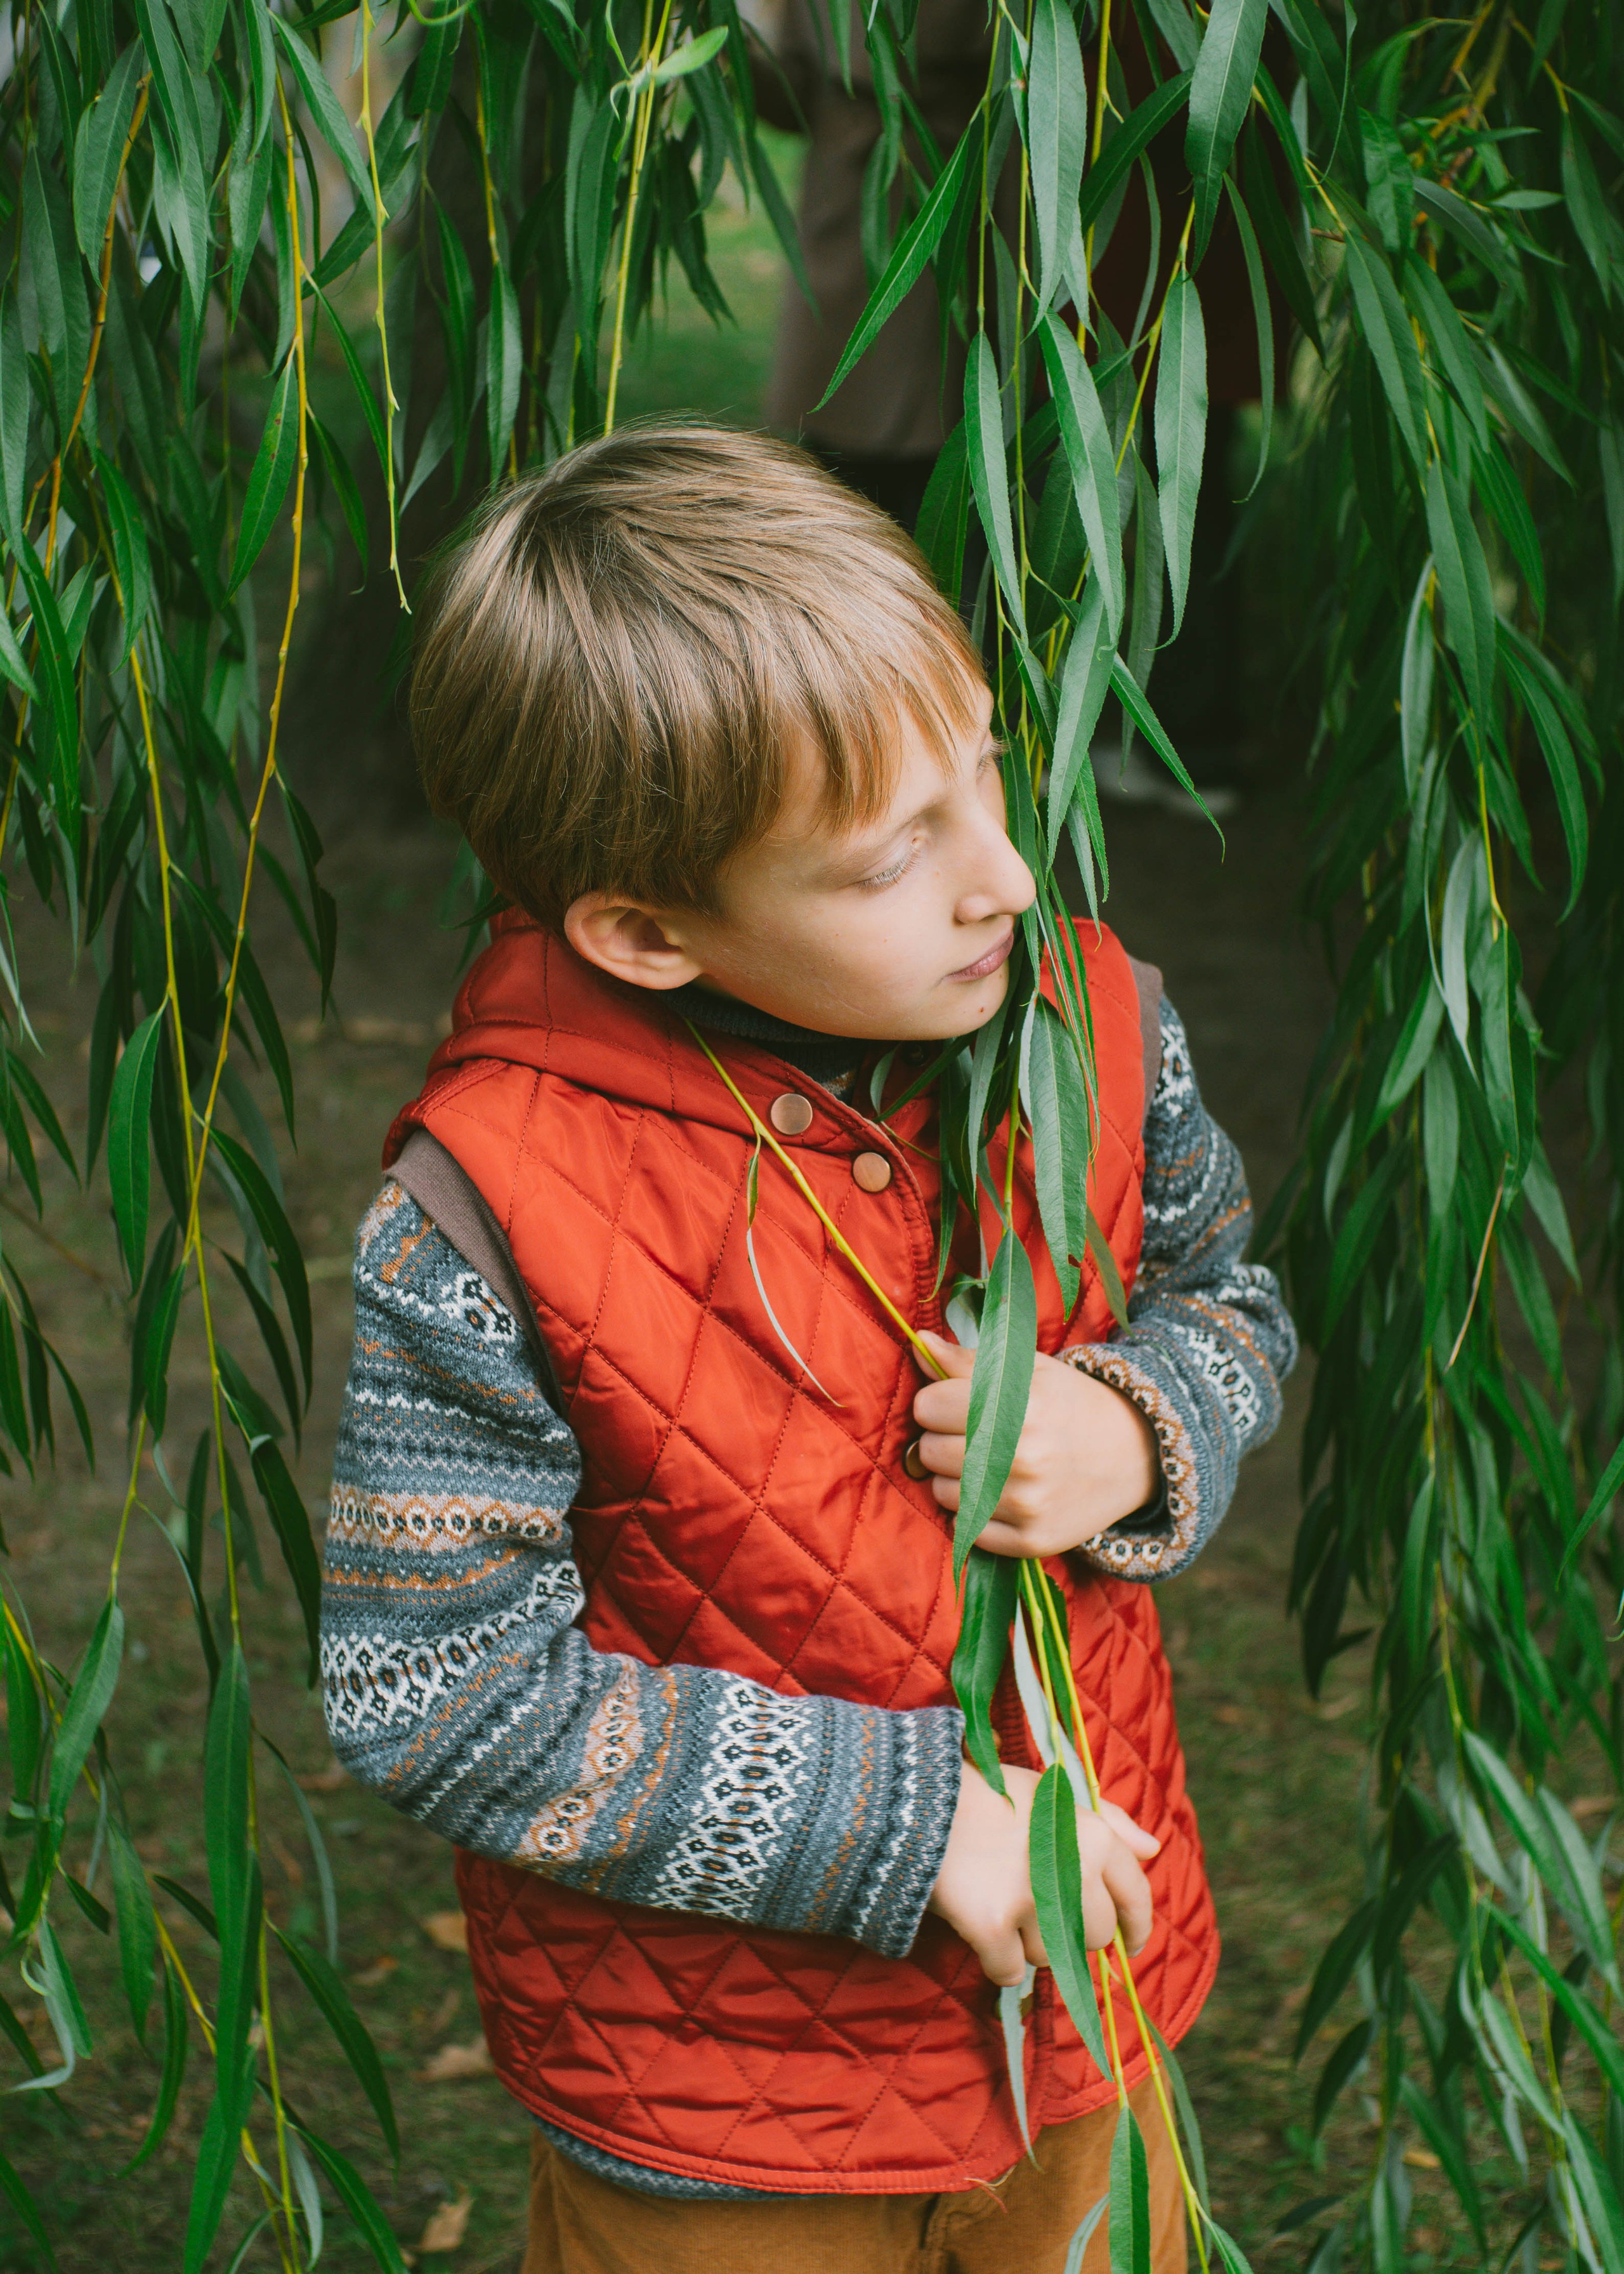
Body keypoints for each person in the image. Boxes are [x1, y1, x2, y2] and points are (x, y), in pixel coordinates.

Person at [319, 424, 1295, 2273]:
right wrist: (907, 1821)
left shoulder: (1087, 1025)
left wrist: (1144, 1429)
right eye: (886, 859)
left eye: (991, 773)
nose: (1005, 877)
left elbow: (1231, 1300)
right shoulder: (494, 1213)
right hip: (720, 2109)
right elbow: (436, 1688)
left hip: (1086, 2003)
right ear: (643, 927)